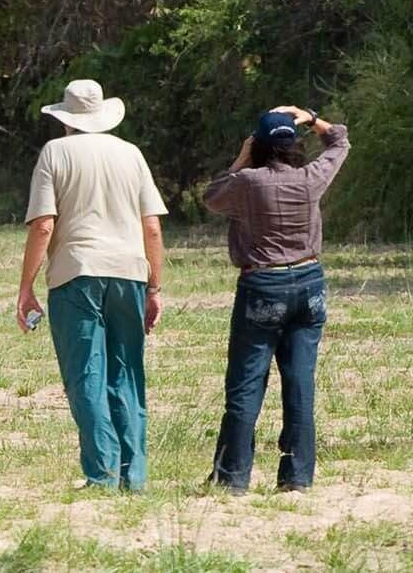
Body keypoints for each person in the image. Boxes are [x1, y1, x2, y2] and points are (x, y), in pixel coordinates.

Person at [17, 80, 167, 491]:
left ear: (66, 119)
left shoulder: (55, 153)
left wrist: (26, 287)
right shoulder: (130, 153)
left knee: (87, 373)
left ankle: (100, 472)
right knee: (127, 372)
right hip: (130, 273)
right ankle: (133, 476)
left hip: (76, 272)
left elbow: (44, 224)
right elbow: (151, 226)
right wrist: (155, 287)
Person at [203, 106, 349, 494]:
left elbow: (211, 198)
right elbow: (339, 141)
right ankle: (297, 477)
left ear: (259, 146)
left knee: (246, 384)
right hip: (309, 283)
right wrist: (312, 117)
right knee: (300, 383)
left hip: (263, 286)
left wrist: (240, 158)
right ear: (292, 145)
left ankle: (232, 477)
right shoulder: (310, 179)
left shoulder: (247, 182)